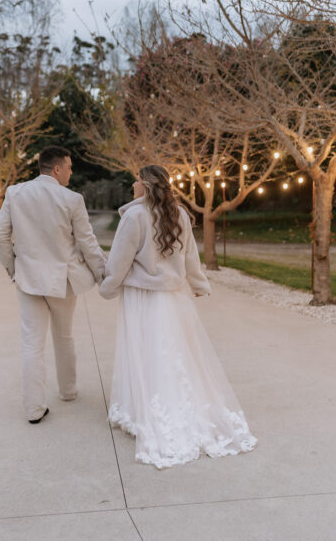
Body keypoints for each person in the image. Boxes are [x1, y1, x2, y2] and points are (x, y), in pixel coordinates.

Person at [99, 165, 256, 469]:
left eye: (136, 180)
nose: (132, 185)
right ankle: (169, 404)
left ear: (145, 184)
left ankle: (146, 409)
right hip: (172, 296)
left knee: (145, 352)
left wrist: (107, 288)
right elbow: (189, 256)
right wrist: (198, 284)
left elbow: (118, 261)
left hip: (143, 297)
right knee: (175, 353)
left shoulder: (134, 216)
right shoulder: (179, 214)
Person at [0, 146, 107, 424]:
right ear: (56, 169)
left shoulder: (15, 193)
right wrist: (104, 274)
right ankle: (68, 392)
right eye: (69, 167)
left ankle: (34, 409)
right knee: (64, 336)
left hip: (28, 280)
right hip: (62, 282)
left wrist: (13, 269)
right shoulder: (72, 199)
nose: (71, 172)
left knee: (32, 343)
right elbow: (87, 242)